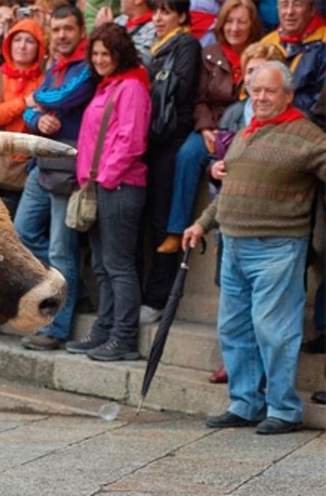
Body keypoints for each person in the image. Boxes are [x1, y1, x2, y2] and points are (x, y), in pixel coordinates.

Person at [183, 62, 326, 435]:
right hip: (232, 244)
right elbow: (229, 190)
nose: (261, 97)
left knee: (275, 332)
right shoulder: (247, 132)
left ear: (289, 95)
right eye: (256, 90)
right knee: (234, 329)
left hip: (278, 248)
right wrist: (201, 223)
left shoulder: (309, 137)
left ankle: (283, 409)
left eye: (270, 91)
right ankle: (245, 403)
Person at [64, 23, 151, 361]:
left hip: (119, 186)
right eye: (96, 53)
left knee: (118, 265)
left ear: (121, 54)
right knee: (101, 264)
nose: (100, 59)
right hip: (99, 185)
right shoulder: (107, 87)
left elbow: (131, 141)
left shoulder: (130, 88)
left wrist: (105, 179)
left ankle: (124, 337)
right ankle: (104, 330)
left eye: (107, 53)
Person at [206, 41, 287, 385]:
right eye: (251, 73)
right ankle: (239, 374)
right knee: (231, 306)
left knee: (267, 315)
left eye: (264, 75)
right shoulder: (234, 115)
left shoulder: (295, 126)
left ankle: (268, 384)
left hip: (273, 231)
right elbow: (219, 160)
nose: (258, 87)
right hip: (229, 216)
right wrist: (215, 170)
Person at [16, 5, 96, 351]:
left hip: (68, 169)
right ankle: (73, 291)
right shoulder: (54, 67)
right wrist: (37, 119)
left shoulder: (88, 66)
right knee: (21, 234)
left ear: (80, 30)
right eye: (57, 29)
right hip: (42, 165)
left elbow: (67, 97)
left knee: (62, 251)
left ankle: (58, 327)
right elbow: (28, 113)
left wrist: (35, 99)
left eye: (68, 29)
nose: (62, 35)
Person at [158, 0, 262, 254]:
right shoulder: (210, 53)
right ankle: (176, 229)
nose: (234, 28)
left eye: (241, 21)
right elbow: (199, 98)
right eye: (229, 21)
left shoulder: (260, 54)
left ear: (252, 25)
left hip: (245, 128)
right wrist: (205, 129)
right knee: (187, 155)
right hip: (211, 124)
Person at [138, 0, 200, 325]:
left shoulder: (186, 43)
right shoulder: (154, 44)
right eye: (156, 11)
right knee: (148, 221)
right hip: (149, 140)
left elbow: (179, 89)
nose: (159, 18)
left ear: (181, 15)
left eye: (166, 12)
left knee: (164, 221)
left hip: (170, 138)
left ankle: (157, 296)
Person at [0, 18, 46, 217]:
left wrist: (6, 111)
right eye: (17, 40)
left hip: (25, 168)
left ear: (39, 47)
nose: (22, 46)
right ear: (8, 44)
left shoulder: (44, 80)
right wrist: (24, 103)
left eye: (29, 41)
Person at [261, 0, 326, 113]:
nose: (290, 12)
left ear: (311, 10)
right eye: (284, 5)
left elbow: (321, 103)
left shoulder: (323, 42)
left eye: (298, 4)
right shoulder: (266, 43)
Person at [96, 0, 156, 68]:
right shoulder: (120, 20)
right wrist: (101, 31)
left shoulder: (154, 28)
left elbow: (139, 61)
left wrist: (107, 32)